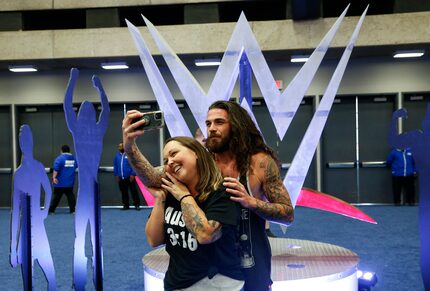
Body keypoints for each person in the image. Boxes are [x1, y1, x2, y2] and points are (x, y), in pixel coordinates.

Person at [122, 100, 294, 291]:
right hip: (210, 269)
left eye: (219, 122)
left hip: (250, 261)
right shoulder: (201, 161)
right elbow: (153, 178)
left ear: (237, 124)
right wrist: (130, 147)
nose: (211, 128)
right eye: (208, 123)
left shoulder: (260, 163)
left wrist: (251, 202)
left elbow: (287, 214)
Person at [145, 136, 244, 290]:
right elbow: (153, 240)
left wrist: (184, 196)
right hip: (176, 282)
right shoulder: (172, 193)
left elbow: (206, 235)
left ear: (196, 152)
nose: (169, 162)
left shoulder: (222, 192)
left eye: (174, 153)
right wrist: (160, 199)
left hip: (216, 284)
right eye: (166, 160)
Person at [64, 68, 109, 290]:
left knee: (81, 237)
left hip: (85, 193)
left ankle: (79, 282)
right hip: (93, 190)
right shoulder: (97, 131)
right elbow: (107, 110)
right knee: (94, 238)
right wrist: (100, 89)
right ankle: (92, 279)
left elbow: (66, 105)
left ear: (81, 115)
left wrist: (72, 81)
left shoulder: (78, 130)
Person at [10, 125, 56, 290]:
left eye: (28, 139)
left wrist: (45, 210)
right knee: (28, 282)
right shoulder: (19, 174)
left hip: (39, 228)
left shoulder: (38, 167)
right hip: (24, 233)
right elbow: (15, 212)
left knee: (51, 277)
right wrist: (13, 250)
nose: (26, 143)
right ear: (21, 144)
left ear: (31, 142)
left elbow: (48, 190)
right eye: (23, 140)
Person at [389, 106, 430, 290]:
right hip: (427, 205)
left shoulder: (417, 137)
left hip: (426, 205)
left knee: (427, 250)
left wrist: (394, 120)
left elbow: (393, 139)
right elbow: (393, 140)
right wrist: (393, 120)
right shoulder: (417, 137)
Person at [48, 144, 77, 214]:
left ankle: (51, 211)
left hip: (59, 182)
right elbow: (77, 166)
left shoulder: (59, 158)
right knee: (71, 196)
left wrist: (54, 177)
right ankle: (73, 211)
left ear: (61, 150)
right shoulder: (74, 158)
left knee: (56, 198)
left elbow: (56, 169)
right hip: (69, 182)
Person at [113, 142, 141, 210]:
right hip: (121, 178)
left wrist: (132, 174)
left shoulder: (129, 155)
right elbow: (115, 166)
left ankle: (137, 205)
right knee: (124, 192)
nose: (120, 148)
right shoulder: (117, 156)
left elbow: (134, 165)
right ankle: (126, 205)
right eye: (119, 146)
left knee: (133, 191)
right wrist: (116, 175)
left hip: (130, 177)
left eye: (121, 146)